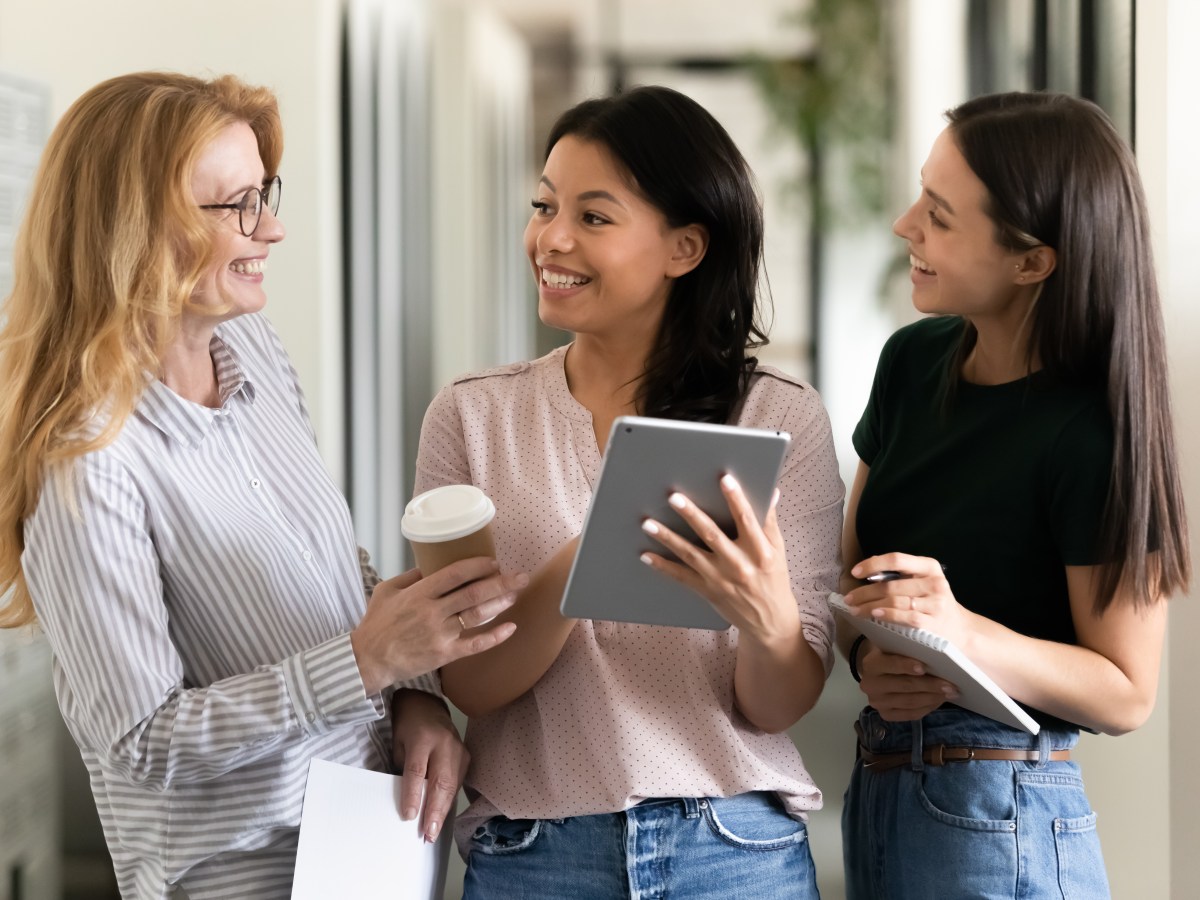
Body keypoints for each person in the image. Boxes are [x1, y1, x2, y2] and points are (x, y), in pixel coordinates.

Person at [0, 71, 524, 900]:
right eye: (239, 203)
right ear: (138, 227)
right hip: (239, 878)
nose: (271, 228)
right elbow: (140, 739)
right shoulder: (86, 455)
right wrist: (364, 663)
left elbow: (329, 567)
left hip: (370, 844)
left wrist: (414, 697)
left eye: (266, 194)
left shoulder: (256, 355)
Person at [414, 85, 843, 899]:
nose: (551, 238)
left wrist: (769, 620)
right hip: (535, 854)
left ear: (685, 247)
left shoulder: (780, 418)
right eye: (544, 206)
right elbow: (469, 684)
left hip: (735, 848)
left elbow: (779, 704)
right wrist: (602, 548)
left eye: (594, 217)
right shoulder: (471, 416)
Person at [837, 91, 1190, 899]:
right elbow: (852, 571)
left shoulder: (1090, 431)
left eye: (939, 214)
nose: (904, 226)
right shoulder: (910, 363)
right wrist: (866, 657)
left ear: (1032, 261)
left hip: (1003, 813)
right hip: (883, 786)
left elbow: (1127, 691)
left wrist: (963, 634)